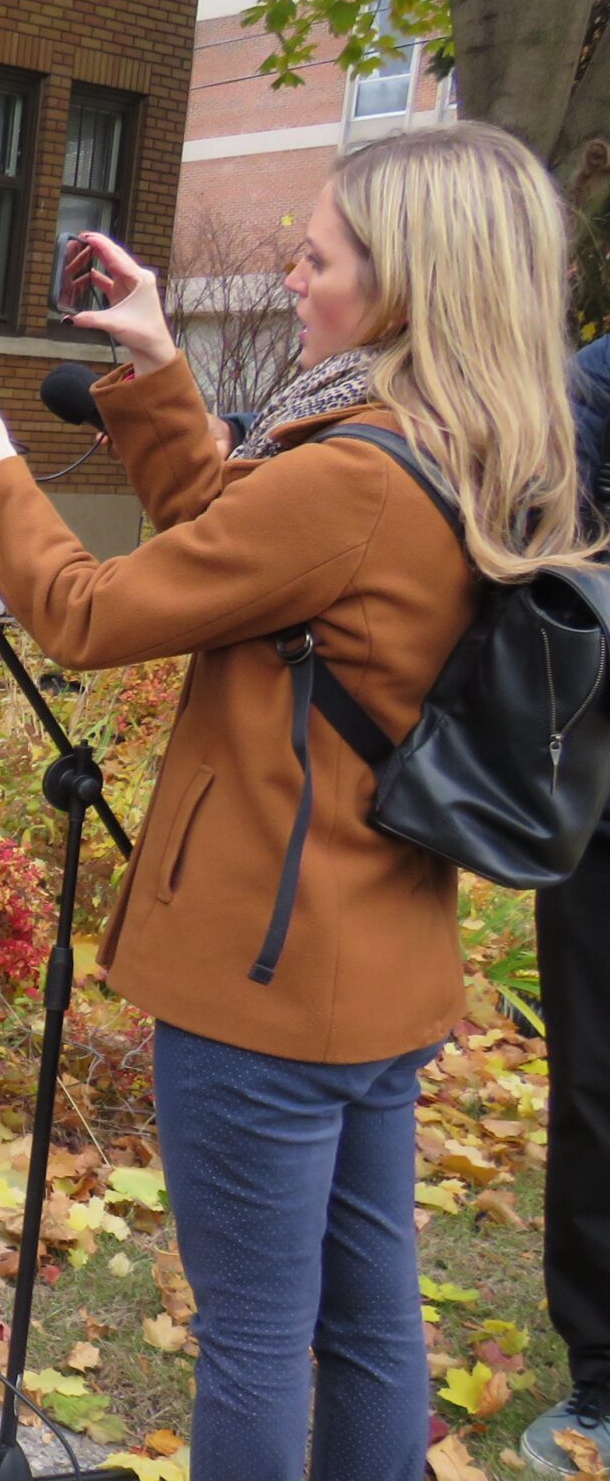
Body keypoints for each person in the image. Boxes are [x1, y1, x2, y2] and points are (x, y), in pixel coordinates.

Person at [0, 121, 598, 1481]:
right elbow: (237, 535)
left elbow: (89, 612)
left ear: (406, 282)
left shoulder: (352, 474)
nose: (292, 274)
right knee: (368, 1321)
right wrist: (156, 362)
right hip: (378, 960)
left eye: (321, 258)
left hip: (266, 978)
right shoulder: (473, 444)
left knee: (254, 1340)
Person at [522, 329, 610, 1473]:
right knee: (597, 1084)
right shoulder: (596, 384)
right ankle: (603, 1376)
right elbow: (551, 555)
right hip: (607, 803)